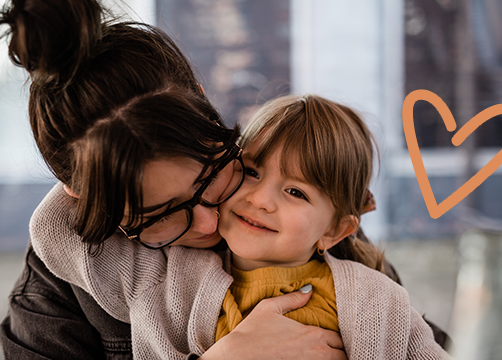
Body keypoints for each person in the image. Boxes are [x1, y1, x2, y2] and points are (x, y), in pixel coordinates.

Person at [0, 0, 346, 359]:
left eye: (211, 175)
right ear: (80, 196)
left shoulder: (300, 208)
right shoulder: (57, 290)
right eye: (161, 216)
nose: (210, 221)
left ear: (203, 100)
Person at [31, 94, 452, 359]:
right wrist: (92, 169)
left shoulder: (373, 298)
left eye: (296, 193)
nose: (260, 199)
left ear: (336, 232)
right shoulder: (166, 279)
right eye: (251, 172)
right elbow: (54, 229)